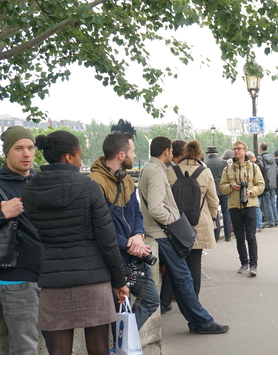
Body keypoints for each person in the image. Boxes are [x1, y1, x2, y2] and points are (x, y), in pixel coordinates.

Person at [22, 131, 130, 354]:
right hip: (93, 278)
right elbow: (107, 240)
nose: (82, 161)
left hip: (53, 280)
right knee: (99, 349)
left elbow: (38, 232)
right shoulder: (88, 187)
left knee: (59, 353)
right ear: (68, 158)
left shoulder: (30, 189)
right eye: (80, 155)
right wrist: (119, 281)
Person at [138, 136, 229, 334]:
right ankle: (202, 322)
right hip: (164, 231)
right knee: (184, 277)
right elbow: (155, 207)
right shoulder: (156, 172)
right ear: (167, 151)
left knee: (181, 277)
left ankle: (198, 321)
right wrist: (174, 220)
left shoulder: (159, 170)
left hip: (159, 231)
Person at [88, 127, 160, 334]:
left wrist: (138, 235)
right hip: (116, 255)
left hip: (131, 252)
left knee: (130, 305)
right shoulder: (95, 183)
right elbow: (98, 225)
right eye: (132, 151)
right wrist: (129, 244)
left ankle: (120, 346)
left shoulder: (126, 179)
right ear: (121, 155)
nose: (135, 155)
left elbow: (136, 212)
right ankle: (121, 346)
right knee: (137, 303)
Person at [0, 127, 45, 355]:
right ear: (7, 152)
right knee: (25, 349)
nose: (26, 153)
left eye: (30, 147)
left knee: (59, 347)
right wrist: (3, 213)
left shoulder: (41, 181)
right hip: (16, 280)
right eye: (18, 148)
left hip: (49, 277)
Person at [166, 140, 219, 296]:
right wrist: (214, 218)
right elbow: (213, 200)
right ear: (199, 154)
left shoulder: (171, 172)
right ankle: (193, 299)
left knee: (175, 262)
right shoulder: (205, 172)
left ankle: (168, 299)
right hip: (199, 223)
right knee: (195, 263)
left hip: (176, 223)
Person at [220, 141, 265, 276]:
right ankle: (244, 262)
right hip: (234, 206)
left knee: (251, 236)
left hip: (250, 205)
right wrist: (231, 187)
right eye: (234, 149)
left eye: (239, 149)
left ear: (245, 151)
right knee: (239, 237)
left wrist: (250, 192)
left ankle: (253, 265)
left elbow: (261, 185)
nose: (236, 151)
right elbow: (222, 187)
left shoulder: (253, 167)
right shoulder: (227, 169)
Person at [205, 146, 231, 242]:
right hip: (223, 190)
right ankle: (228, 235)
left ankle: (216, 235)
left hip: (212, 191)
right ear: (216, 152)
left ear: (207, 153)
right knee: (226, 212)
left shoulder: (205, 163)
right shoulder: (223, 162)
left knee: (214, 213)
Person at [257, 142, 278, 228]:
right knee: (273, 202)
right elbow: (276, 170)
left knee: (267, 203)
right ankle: (276, 220)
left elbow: (260, 171)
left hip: (266, 184)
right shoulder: (272, 157)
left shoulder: (260, 158)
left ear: (260, 149)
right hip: (273, 182)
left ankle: (271, 222)